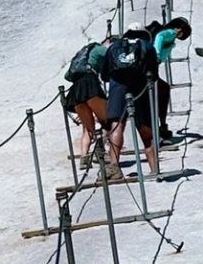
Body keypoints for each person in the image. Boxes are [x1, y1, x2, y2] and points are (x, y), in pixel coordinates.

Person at [100, 18, 192, 177]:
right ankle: (154, 168)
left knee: (117, 124)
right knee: (145, 126)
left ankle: (114, 166)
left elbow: (105, 74)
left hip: (117, 87)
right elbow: (153, 71)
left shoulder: (114, 47)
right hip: (140, 86)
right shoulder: (146, 46)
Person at [63, 39, 109, 165]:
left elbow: (67, 76)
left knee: (87, 129)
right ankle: (102, 150)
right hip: (90, 85)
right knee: (108, 121)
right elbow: (112, 56)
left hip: (76, 91)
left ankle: (84, 158)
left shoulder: (80, 55)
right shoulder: (99, 49)